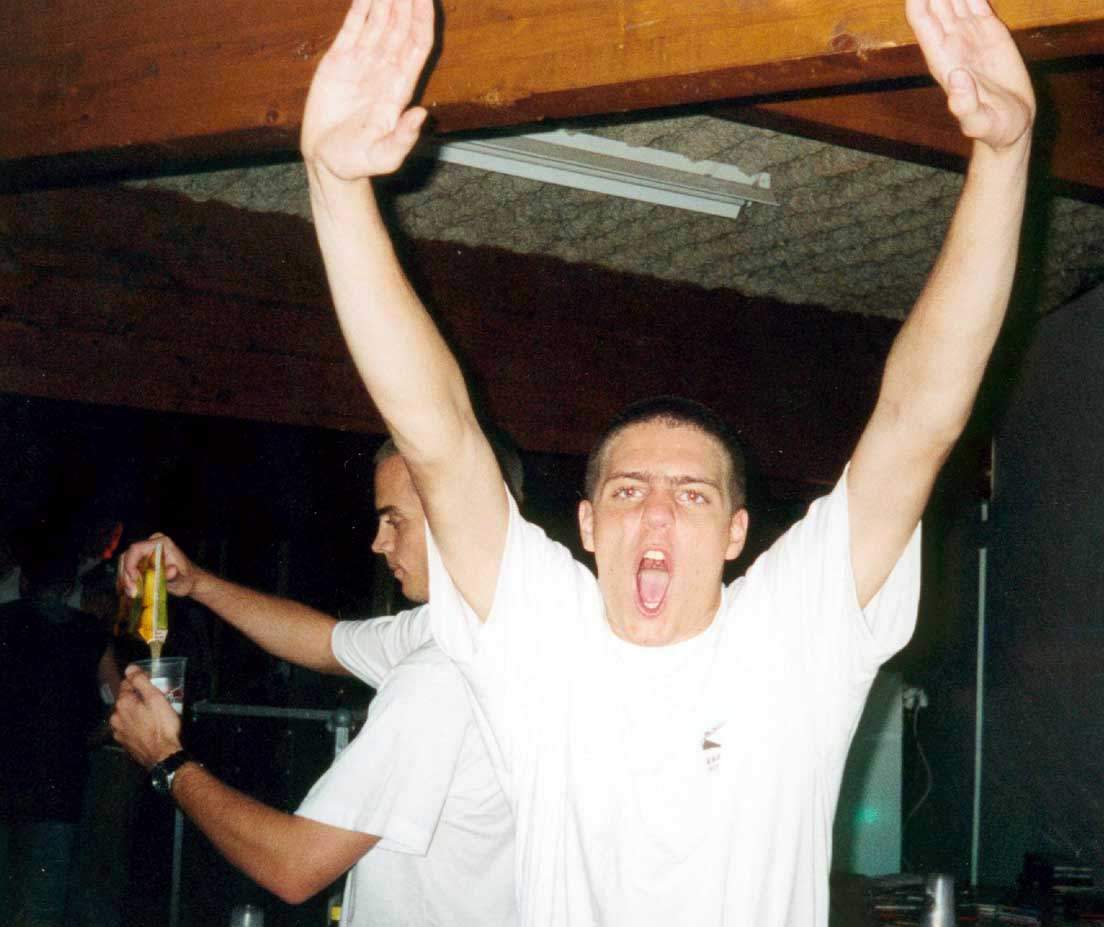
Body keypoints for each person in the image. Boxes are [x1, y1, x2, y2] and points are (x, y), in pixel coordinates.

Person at [302, 0, 1034, 921]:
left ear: (736, 532)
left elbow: (917, 418)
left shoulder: (791, 636)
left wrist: (1005, 159)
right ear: (585, 523)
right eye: (627, 490)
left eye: (691, 496)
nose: (654, 514)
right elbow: (437, 435)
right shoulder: (541, 638)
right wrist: (335, 185)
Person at [109, 440, 517, 926]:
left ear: (461, 516)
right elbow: (325, 643)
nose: (378, 542)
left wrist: (166, 758)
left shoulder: (437, 675)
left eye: (395, 521)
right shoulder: (473, 629)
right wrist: (196, 582)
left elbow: (294, 865)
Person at [0, 536, 113, 927]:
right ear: (68, 587)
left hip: (6, 777)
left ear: (25, 581)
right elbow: (117, 704)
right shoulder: (89, 631)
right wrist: (90, 739)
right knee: (43, 907)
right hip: (59, 784)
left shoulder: (3, 621)